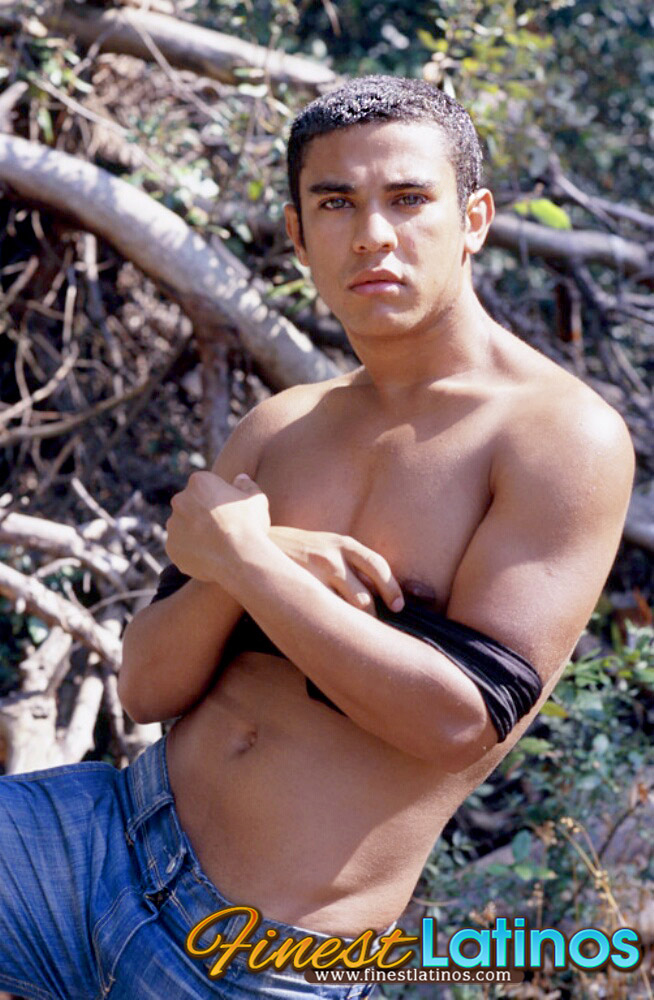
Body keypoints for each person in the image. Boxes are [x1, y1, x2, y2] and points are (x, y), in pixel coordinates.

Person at [0, 76, 634, 999]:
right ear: (298, 236)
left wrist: (252, 558)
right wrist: (243, 568)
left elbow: (457, 721)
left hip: (259, 955)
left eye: (408, 198)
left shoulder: (557, 437)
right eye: (336, 203)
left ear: (474, 220)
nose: (372, 233)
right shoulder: (282, 424)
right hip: (99, 840)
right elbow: (146, 685)